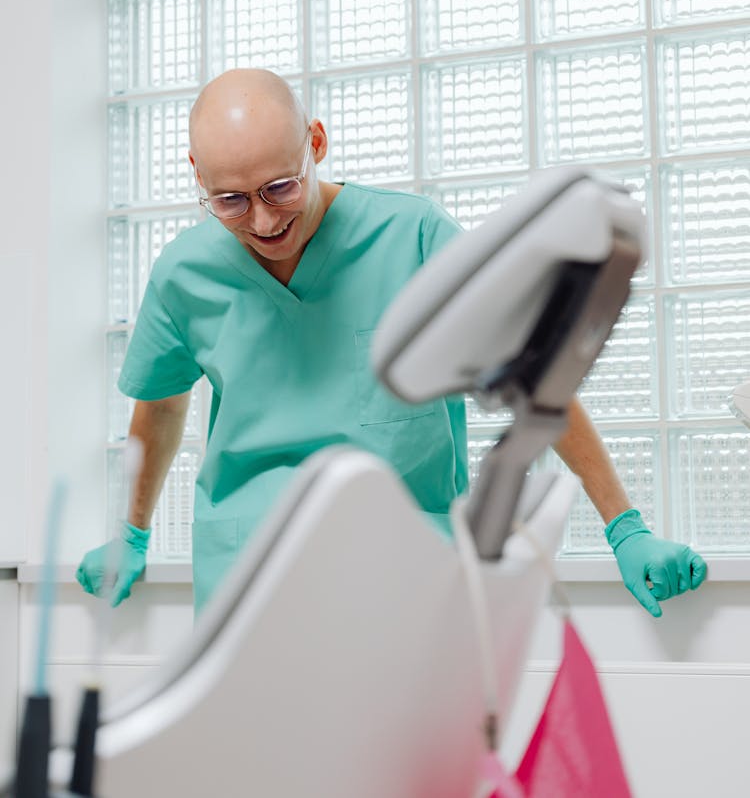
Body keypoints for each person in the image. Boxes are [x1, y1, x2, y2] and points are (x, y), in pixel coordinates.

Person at [77, 68, 707, 618]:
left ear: (315, 143)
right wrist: (131, 533)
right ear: (198, 177)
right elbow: (161, 402)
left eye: (280, 188)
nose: (264, 221)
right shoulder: (185, 271)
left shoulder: (415, 237)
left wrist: (625, 527)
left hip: (409, 571)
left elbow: (535, 382)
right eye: (231, 201)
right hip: (248, 581)